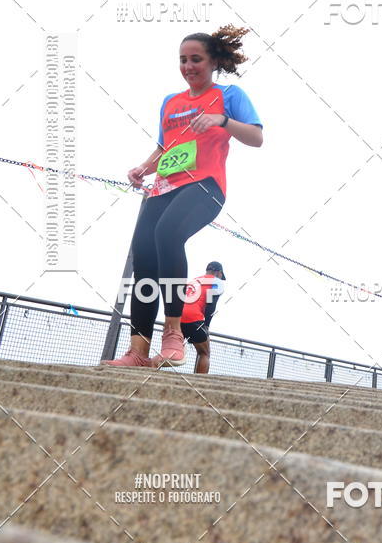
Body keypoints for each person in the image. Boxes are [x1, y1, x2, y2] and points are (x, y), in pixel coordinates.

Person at [101, 26, 262, 368]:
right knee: (144, 257)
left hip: (205, 186)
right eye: (183, 60)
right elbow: (165, 146)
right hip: (163, 187)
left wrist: (222, 120)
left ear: (213, 61)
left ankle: (173, 335)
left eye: (196, 59)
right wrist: (143, 168)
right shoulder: (170, 103)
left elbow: (256, 137)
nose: (189, 66)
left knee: (167, 235)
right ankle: (138, 351)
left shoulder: (229, 95)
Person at [180, 261, 225, 374]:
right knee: (204, 353)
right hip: (194, 318)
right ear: (219, 273)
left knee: (171, 351)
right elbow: (211, 305)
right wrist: (206, 326)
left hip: (176, 317)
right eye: (221, 275)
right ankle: (197, 384)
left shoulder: (194, 280)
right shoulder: (217, 282)